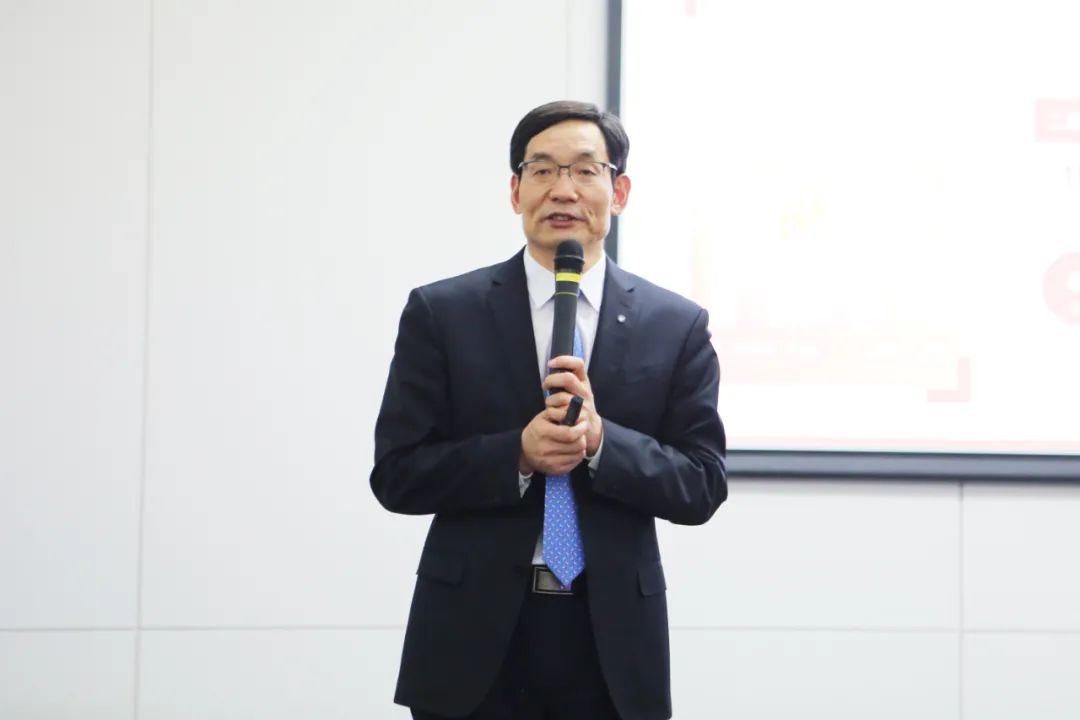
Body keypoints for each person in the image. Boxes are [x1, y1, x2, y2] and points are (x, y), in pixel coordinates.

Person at [370, 100, 727, 720]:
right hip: (471, 639)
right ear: (516, 192)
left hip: (611, 640)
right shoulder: (443, 312)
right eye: (542, 170)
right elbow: (397, 474)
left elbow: (702, 484)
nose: (564, 189)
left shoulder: (676, 325)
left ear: (619, 192)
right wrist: (515, 454)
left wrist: (603, 442)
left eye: (586, 170)